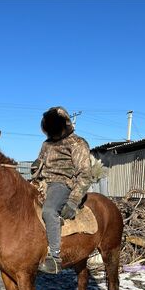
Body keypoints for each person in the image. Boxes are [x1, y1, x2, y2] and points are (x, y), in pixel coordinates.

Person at [31, 106, 92, 274]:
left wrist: (73, 201)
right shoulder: (46, 143)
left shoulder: (77, 143)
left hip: (62, 183)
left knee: (49, 211)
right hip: (42, 181)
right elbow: (41, 161)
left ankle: (55, 258)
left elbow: (85, 175)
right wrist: (36, 165)